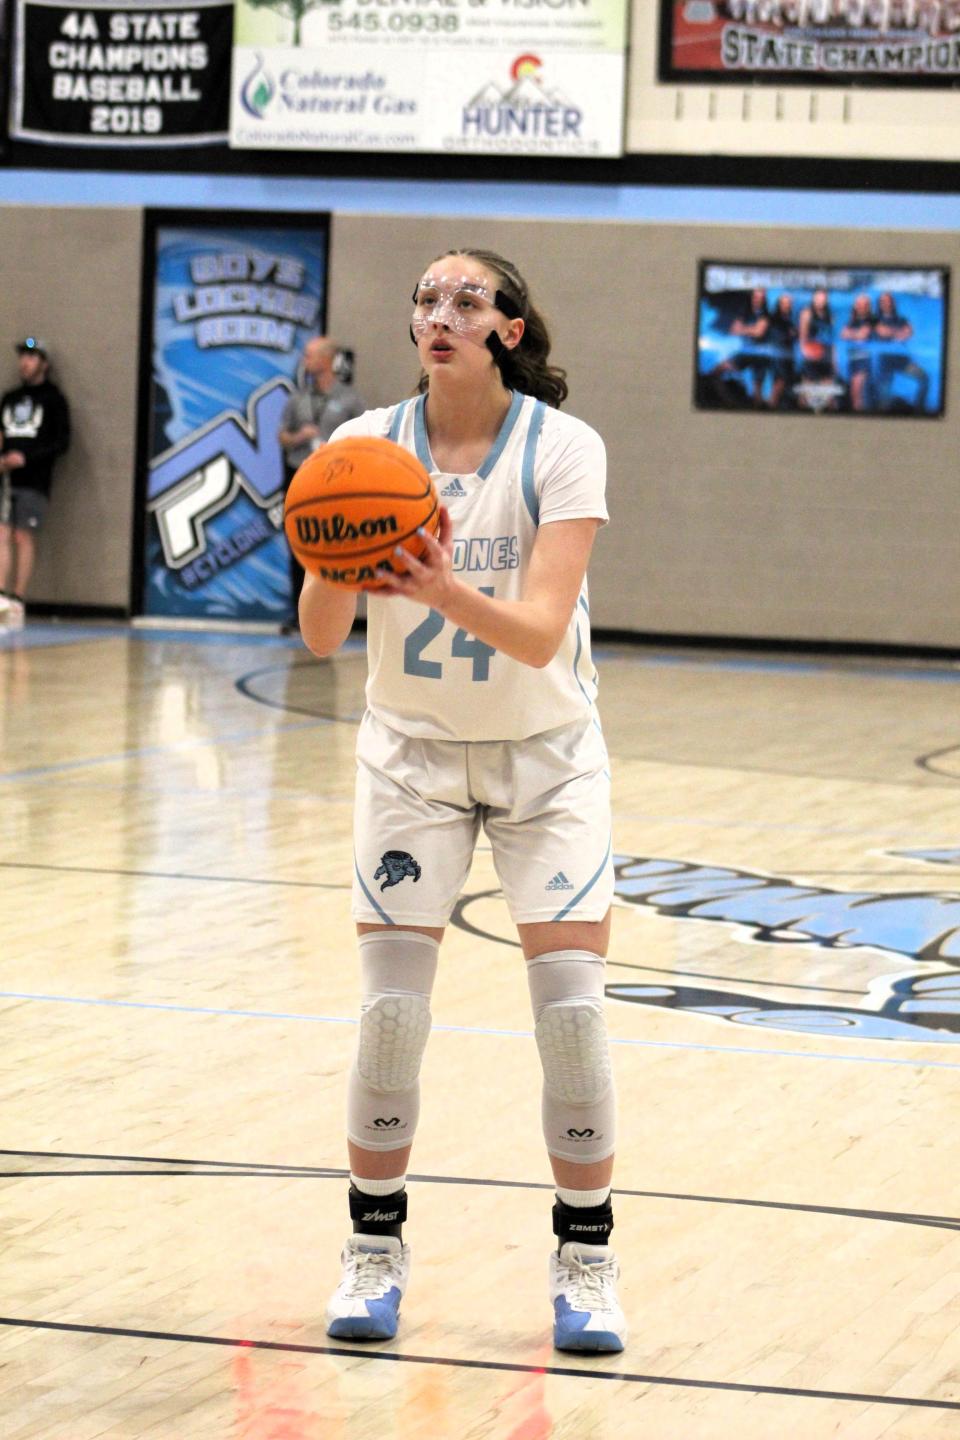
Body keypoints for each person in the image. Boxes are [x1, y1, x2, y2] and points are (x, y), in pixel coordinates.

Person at [299, 248, 624, 1353]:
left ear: (510, 332)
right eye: (427, 299)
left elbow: (536, 635)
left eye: (467, 301)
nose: (441, 315)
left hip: (545, 756)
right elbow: (317, 636)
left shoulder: (562, 449)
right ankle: (373, 1250)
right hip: (414, 759)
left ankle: (586, 1260)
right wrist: (336, 547)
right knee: (392, 1019)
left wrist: (441, 587)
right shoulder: (359, 450)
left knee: (572, 1019)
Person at [278, 336, 364, 629]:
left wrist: (336, 447)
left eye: (310, 355)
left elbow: (363, 441)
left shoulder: (350, 398)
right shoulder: (297, 398)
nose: (306, 360)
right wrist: (299, 436)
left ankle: (330, 616)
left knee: (333, 546)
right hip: (300, 476)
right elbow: (282, 437)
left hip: (335, 482)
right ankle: (296, 613)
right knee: (297, 545)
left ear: (328, 359)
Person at [0, 337, 71, 629]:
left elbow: (62, 442)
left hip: (34, 479)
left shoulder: (54, 399)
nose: (25, 363)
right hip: (5, 477)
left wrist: (27, 458)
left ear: (44, 363)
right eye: (22, 357)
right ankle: (1, 594)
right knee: (1, 533)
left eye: (31, 357)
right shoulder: (10, 398)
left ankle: (17, 597)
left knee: (22, 535)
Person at [708, 287, 772, 406]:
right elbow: (734, 329)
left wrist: (745, 329)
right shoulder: (745, 311)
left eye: (762, 296)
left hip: (760, 354)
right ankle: (728, 402)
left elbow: (758, 332)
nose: (759, 299)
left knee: (757, 391)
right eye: (757, 296)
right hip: (747, 352)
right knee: (717, 371)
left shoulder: (765, 314)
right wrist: (749, 330)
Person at [874, 291, 929, 414]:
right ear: (879, 303)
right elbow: (882, 332)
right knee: (883, 401)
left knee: (924, 379)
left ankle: (919, 412)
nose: (886, 304)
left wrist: (893, 333)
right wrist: (898, 332)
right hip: (885, 363)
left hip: (902, 361)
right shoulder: (875, 319)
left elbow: (909, 333)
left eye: (889, 301)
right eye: (883, 301)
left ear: (893, 303)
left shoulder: (901, 318)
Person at [797, 288, 839, 410]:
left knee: (829, 395)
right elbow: (802, 338)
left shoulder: (830, 315)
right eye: (818, 297)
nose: (821, 300)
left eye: (823, 297)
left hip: (826, 354)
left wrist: (834, 360)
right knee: (806, 395)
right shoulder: (807, 313)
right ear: (814, 298)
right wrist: (807, 352)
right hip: (811, 354)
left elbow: (833, 339)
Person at [840, 292, 876, 412]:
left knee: (858, 395)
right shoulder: (852, 321)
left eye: (864, 304)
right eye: (859, 304)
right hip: (853, 359)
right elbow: (843, 334)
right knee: (854, 395)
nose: (861, 306)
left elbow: (862, 336)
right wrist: (854, 335)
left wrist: (852, 335)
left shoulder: (871, 320)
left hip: (863, 361)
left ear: (868, 306)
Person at [766, 292, 798, 410]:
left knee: (785, 383)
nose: (787, 306)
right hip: (778, 356)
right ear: (779, 304)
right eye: (784, 303)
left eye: (789, 303)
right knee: (780, 380)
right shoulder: (774, 319)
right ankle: (771, 406)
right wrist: (790, 334)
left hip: (787, 356)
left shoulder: (789, 320)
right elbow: (777, 336)